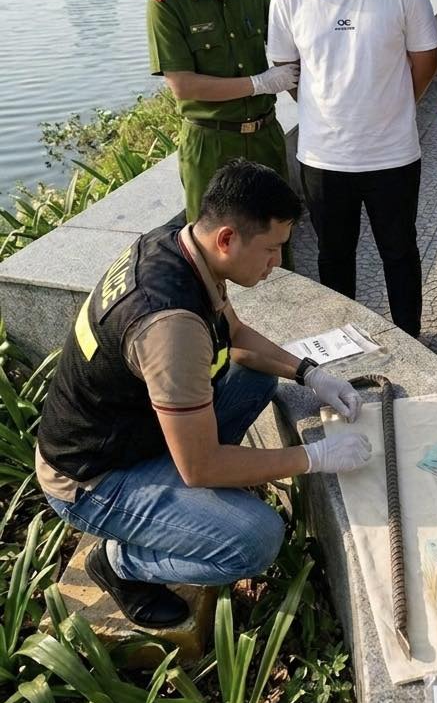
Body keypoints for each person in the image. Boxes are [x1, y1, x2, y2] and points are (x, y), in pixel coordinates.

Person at [36, 159, 371, 626]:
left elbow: (235, 335)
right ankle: (119, 563)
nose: (277, 265)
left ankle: (176, 508)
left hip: (131, 431)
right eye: (272, 250)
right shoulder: (170, 324)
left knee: (255, 374)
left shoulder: (177, 244)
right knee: (255, 539)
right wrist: (314, 458)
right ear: (228, 238)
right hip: (92, 479)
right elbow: (201, 467)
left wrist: (311, 373)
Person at [267, 0, 437, 338]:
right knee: (333, 256)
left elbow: (425, 60)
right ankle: (342, 338)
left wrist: (393, 106)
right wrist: (327, 108)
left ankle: (410, 338)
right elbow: (287, 68)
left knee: (399, 252)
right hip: (323, 158)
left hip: (393, 155)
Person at [147, 0, 297, 224]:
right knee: (214, 245)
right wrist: (259, 83)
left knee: (275, 234)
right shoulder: (167, 5)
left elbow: (288, 46)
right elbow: (184, 86)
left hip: (264, 136)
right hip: (210, 142)